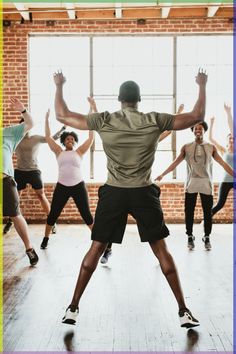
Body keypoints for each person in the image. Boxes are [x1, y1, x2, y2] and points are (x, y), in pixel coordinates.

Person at [54, 68, 208, 328]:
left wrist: (59, 85)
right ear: (138, 99)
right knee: (161, 251)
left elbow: (63, 115)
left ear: (119, 99)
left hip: (114, 192)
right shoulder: (153, 119)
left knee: (96, 248)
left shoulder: (104, 120)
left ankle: (73, 307)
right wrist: (202, 85)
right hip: (143, 193)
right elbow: (196, 116)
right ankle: (183, 311)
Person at [100, 103, 185, 265]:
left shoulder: (148, 137)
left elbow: (165, 132)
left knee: (155, 237)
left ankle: (160, 256)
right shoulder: (119, 139)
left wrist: (177, 114)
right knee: (111, 226)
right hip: (119, 188)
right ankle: (108, 249)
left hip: (139, 189)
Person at [156, 122, 234, 251]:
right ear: (193, 131)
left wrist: (234, 174)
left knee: (208, 213)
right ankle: (190, 236)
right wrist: (162, 174)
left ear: (204, 131)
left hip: (206, 183)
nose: (198, 130)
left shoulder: (211, 147)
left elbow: (223, 163)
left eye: (201, 128)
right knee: (189, 211)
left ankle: (207, 237)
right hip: (191, 183)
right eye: (196, 128)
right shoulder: (186, 147)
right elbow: (175, 163)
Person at [40, 103, 95, 249]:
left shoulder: (80, 152)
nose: (70, 141)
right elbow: (47, 137)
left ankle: (98, 241)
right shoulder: (58, 151)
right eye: (67, 139)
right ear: (64, 141)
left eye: (72, 139)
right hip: (62, 186)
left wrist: (90, 116)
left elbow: (91, 138)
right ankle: (45, 238)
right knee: (53, 214)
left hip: (78, 186)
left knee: (87, 215)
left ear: (74, 141)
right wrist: (46, 120)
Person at [3, 114, 65, 235]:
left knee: (41, 196)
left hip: (34, 171)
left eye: (26, 125)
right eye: (22, 126)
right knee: (15, 198)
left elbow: (51, 138)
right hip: (19, 171)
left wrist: (62, 130)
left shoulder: (36, 138)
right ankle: (10, 221)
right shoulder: (15, 139)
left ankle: (52, 222)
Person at [1, 97, 39, 266]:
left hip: (5, 179)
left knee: (15, 214)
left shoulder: (9, 133)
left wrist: (23, 110)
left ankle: (29, 248)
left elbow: (31, 124)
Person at [208, 104, 234, 217]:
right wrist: (212, 123)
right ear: (227, 140)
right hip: (226, 181)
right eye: (230, 138)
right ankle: (207, 218)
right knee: (220, 204)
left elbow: (231, 127)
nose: (232, 139)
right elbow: (210, 139)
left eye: (233, 138)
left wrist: (228, 113)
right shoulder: (224, 150)